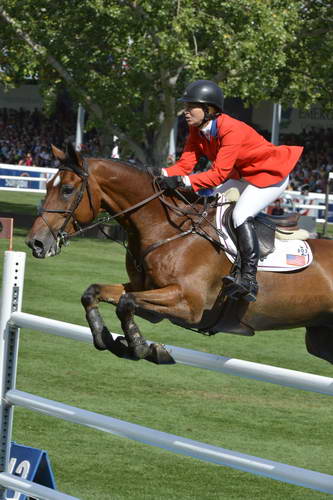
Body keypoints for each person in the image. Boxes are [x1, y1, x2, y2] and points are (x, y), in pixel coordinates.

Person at [158, 80, 303, 302]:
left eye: (191, 106)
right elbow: (185, 165)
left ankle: (248, 280)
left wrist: (183, 180)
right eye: (185, 106)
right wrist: (159, 174)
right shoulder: (197, 130)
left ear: (209, 110)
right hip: (242, 176)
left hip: (269, 176)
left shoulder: (230, 129)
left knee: (239, 214)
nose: (185, 111)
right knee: (210, 206)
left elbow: (216, 175)